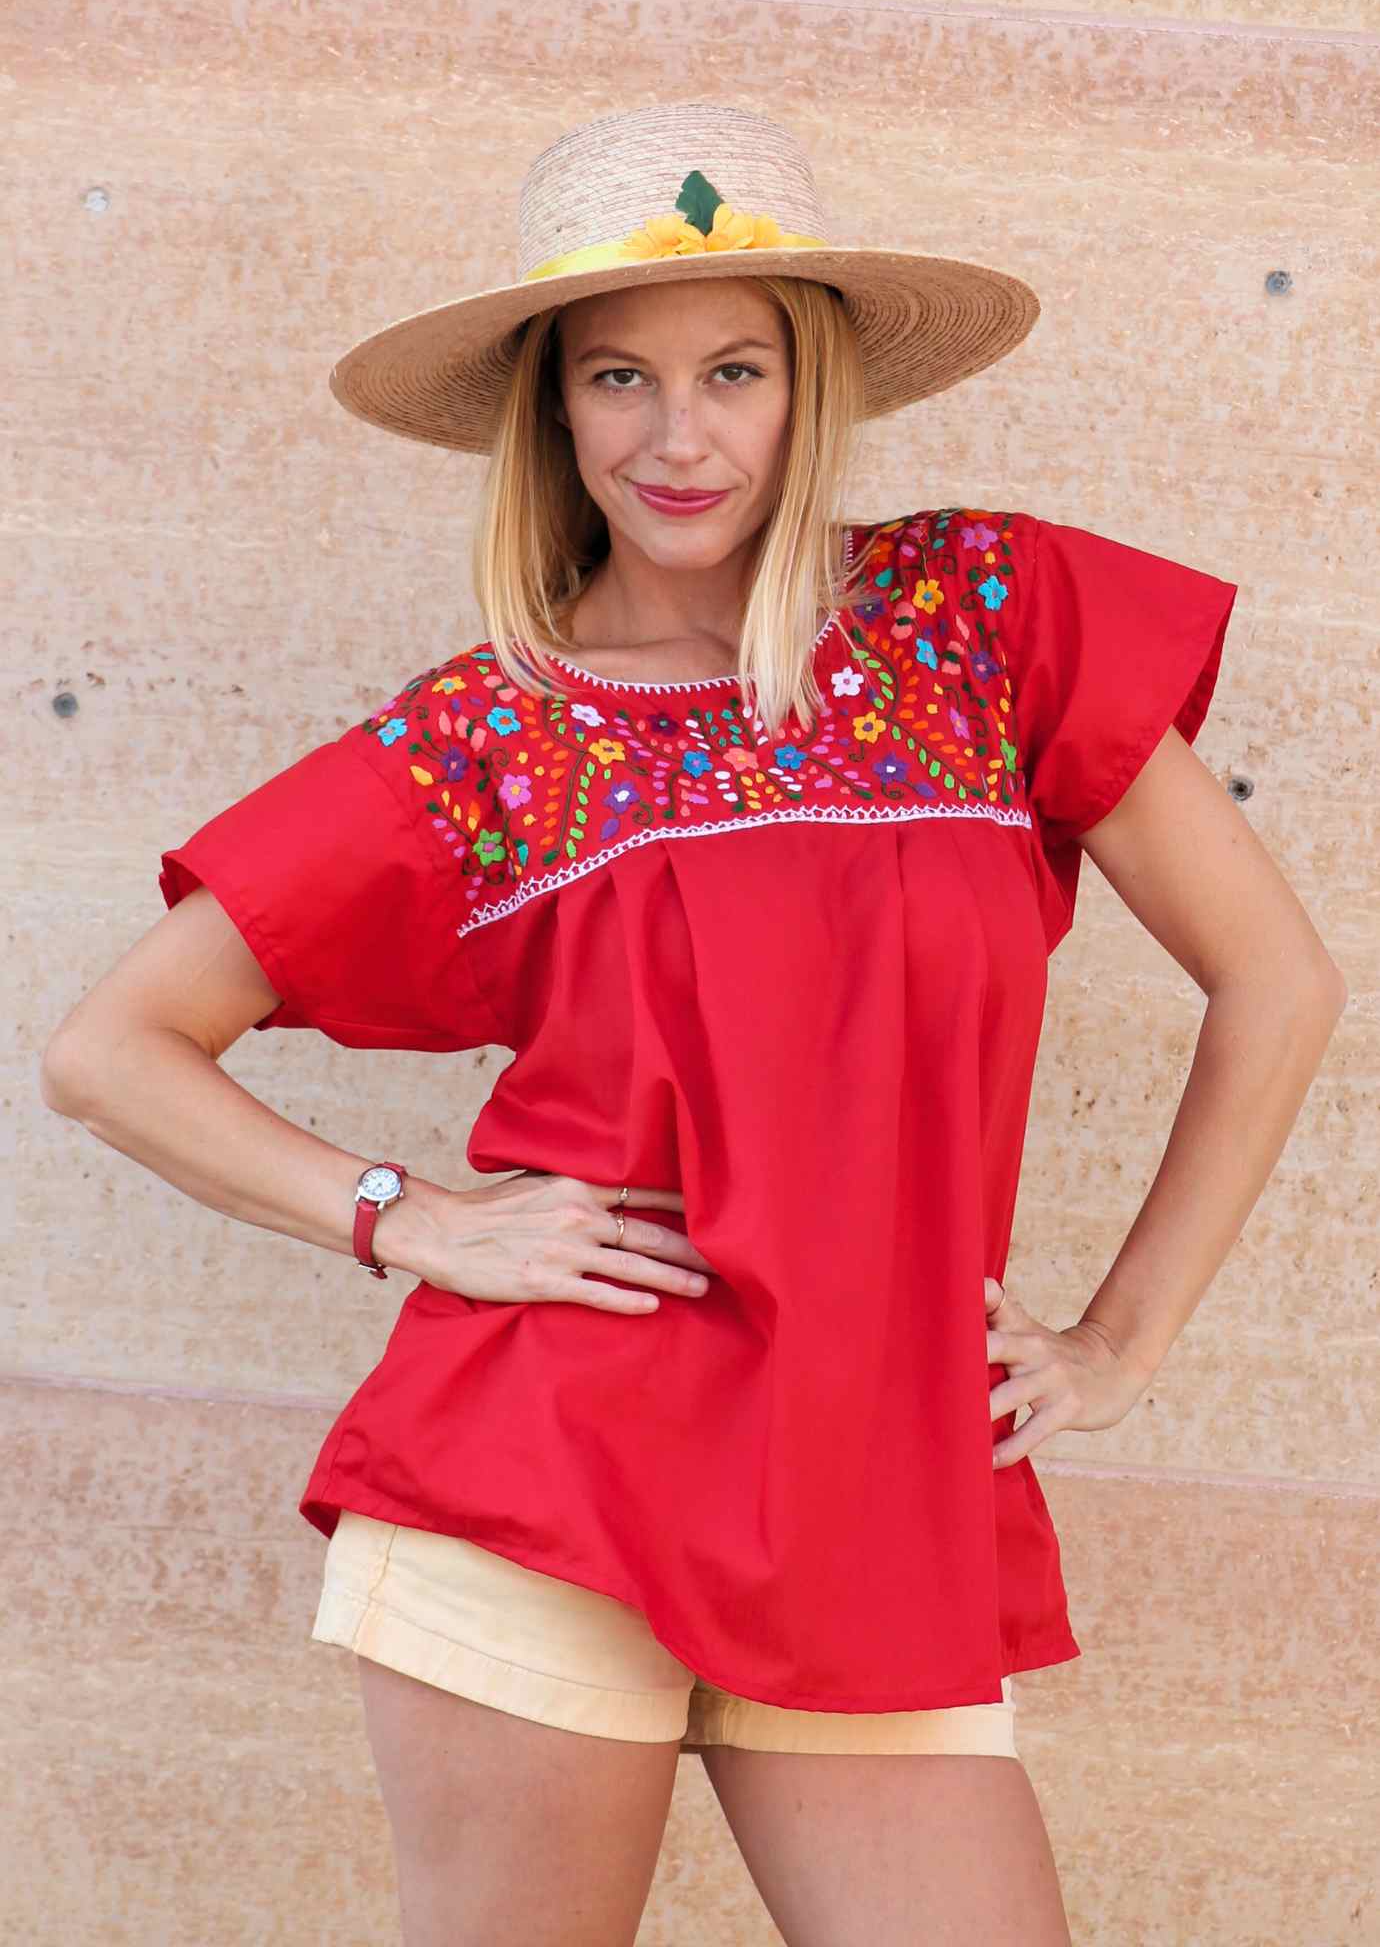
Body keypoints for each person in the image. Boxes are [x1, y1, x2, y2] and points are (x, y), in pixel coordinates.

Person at [39, 99, 1347, 1947]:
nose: (678, 434)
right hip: (549, 1477)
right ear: (554, 412)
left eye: (733, 369)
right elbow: (110, 1049)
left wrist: (1122, 1339)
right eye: (617, 378)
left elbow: (1279, 980)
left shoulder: (983, 621)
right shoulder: (489, 733)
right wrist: (403, 1214)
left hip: (875, 1493)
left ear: (807, 383)